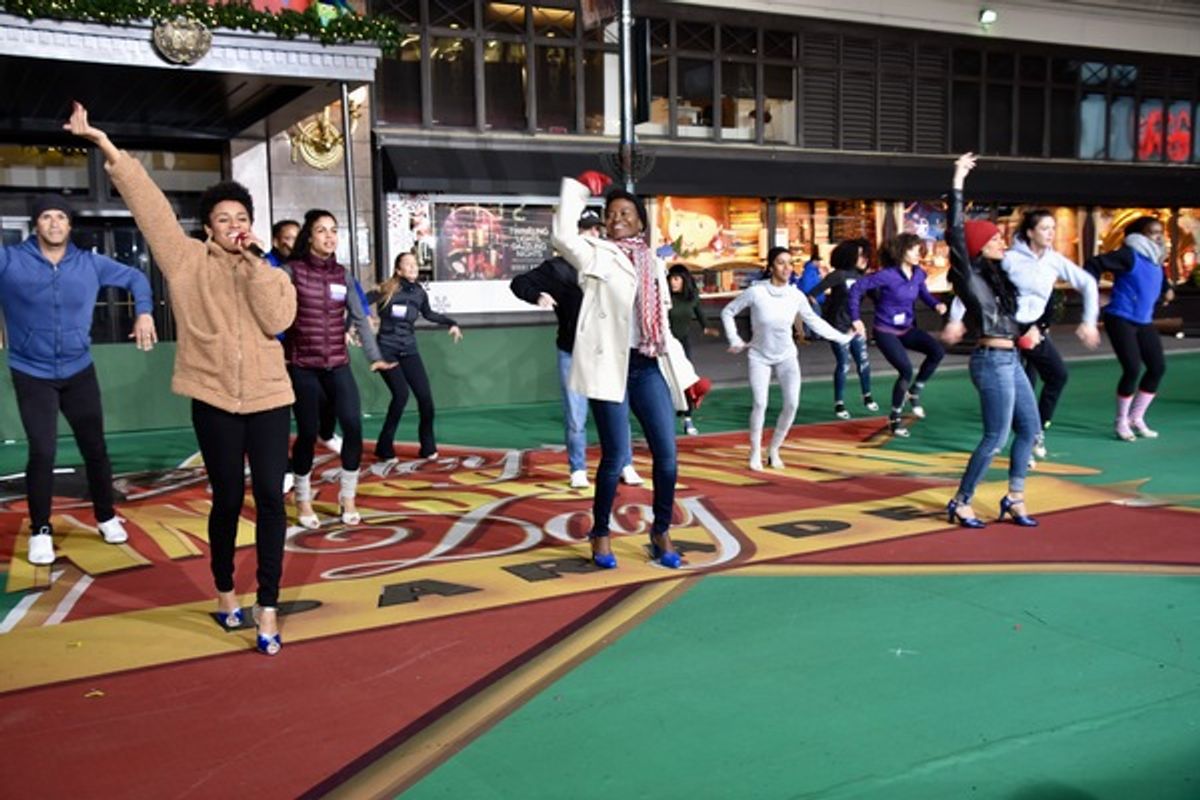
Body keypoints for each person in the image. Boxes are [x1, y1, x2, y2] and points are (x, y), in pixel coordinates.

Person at [70, 102, 296, 654]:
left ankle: (267, 606)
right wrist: (106, 146)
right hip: (213, 398)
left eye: (241, 219)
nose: (234, 227)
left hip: (269, 398)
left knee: (270, 498)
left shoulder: (270, 271)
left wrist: (257, 269)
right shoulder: (186, 261)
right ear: (208, 228)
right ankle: (225, 593)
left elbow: (278, 320)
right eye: (224, 220)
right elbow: (150, 208)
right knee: (224, 500)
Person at [551, 170, 706, 570]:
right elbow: (562, 237)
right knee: (616, 455)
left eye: (626, 212)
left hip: (648, 365)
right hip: (611, 370)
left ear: (640, 221)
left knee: (667, 457)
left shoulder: (654, 264)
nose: (617, 218)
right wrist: (580, 189)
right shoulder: (596, 252)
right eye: (611, 212)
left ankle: (660, 530)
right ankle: (600, 532)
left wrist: (689, 377)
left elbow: (664, 328)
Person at [0, 194, 155, 566]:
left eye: (61, 217)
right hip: (31, 372)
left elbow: (137, 277)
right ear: (36, 224)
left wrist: (145, 314)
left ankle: (105, 516)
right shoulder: (9, 260)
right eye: (46, 217)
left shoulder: (89, 263)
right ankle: (41, 530)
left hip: (78, 370)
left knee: (95, 448)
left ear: (70, 225)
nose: (54, 223)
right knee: (43, 450)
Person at [946, 210, 1100, 461]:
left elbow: (1088, 284)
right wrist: (955, 320)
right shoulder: (1010, 259)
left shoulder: (1054, 260)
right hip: (1009, 332)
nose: (1051, 233)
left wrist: (1089, 321)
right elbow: (978, 289)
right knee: (1022, 387)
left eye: (1053, 228)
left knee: (1057, 375)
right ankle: (1027, 440)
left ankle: (1036, 429)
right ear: (1030, 232)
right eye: (1044, 228)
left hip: (1034, 332)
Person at [510, 211, 644, 487]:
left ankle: (625, 463)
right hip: (571, 350)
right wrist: (537, 295)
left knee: (618, 410)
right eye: (587, 230)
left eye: (597, 230)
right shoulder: (557, 268)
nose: (594, 235)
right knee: (576, 414)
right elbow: (519, 282)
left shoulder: (610, 262)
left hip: (607, 351)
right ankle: (578, 468)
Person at [942, 153, 1040, 528]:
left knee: (1029, 430)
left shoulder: (997, 280)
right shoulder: (968, 276)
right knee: (995, 437)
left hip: (1011, 360)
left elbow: (1008, 321)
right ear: (979, 246)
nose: (1002, 241)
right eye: (995, 238)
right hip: (990, 362)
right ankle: (961, 500)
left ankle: (1014, 497)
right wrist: (958, 179)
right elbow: (955, 230)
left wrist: (1027, 331)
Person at [284, 209, 390, 530]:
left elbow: (360, 319)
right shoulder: (291, 272)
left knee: (353, 428)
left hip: (337, 365)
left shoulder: (342, 276)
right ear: (309, 236)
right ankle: (302, 498)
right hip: (303, 366)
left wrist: (375, 356)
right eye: (321, 230)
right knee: (306, 434)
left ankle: (348, 497)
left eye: (334, 230)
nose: (329, 236)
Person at [722, 247, 856, 471]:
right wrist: (734, 339)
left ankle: (774, 449)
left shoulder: (796, 295)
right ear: (771, 267)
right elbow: (728, 311)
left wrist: (842, 338)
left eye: (790, 263)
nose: (787, 268)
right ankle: (755, 451)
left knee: (792, 404)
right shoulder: (757, 292)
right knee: (760, 403)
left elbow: (814, 321)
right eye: (781, 263)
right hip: (759, 356)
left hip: (786, 356)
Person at [848, 233, 948, 436]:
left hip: (906, 329)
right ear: (901, 252)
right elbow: (857, 288)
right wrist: (855, 318)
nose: (918, 253)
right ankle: (894, 418)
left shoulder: (919, 273)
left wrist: (935, 304)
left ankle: (915, 391)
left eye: (919, 249)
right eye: (913, 249)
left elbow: (923, 293)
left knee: (937, 351)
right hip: (885, 331)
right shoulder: (887, 275)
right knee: (905, 370)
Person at [1085, 216, 1174, 441]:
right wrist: (1092, 293)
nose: (1158, 236)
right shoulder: (1129, 255)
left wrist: (1167, 289)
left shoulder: (1156, 259)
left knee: (1157, 367)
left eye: (1160, 232)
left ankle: (1136, 417)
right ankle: (1121, 420)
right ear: (1139, 235)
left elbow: (1160, 279)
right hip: (1120, 318)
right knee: (1132, 369)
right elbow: (1094, 263)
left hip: (1143, 320)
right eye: (1153, 232)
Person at [372, 251, 462, 463]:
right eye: (408, 264)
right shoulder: (387, 289)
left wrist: (451, 322)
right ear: (398, 269)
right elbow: (358, 302)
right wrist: (353, 325)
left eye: (415, 264)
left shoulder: (419, 293)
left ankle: (428, 447)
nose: (413, 267)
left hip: (409, 350)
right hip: (386, 349)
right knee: (401, 395)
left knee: (425, 399)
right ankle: (384, 447)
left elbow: (429, 314)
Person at [809, 239, 878, 419]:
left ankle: (867, 396)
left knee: (863, 361)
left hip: (855, 327)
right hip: (837, 328)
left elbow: (878, 298)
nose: (864, 259)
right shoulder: (838, 275)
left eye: (866, 255)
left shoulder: (864, 278)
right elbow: (812, 294)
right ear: (849, 256)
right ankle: (839, 403)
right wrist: (816, 316)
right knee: (844, 364)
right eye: (860, 255)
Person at [666, 264, 718, 435]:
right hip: (665, 346)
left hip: (683, 344)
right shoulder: (664, 297)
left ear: (684, 280)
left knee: (687, 383)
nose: (672, 282)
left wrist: (707, 327)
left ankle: (688, 419)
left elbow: (700, 314)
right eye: (670, 278)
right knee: (665, 383)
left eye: (676, 279)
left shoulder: (692, 297)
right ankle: (664, 418)